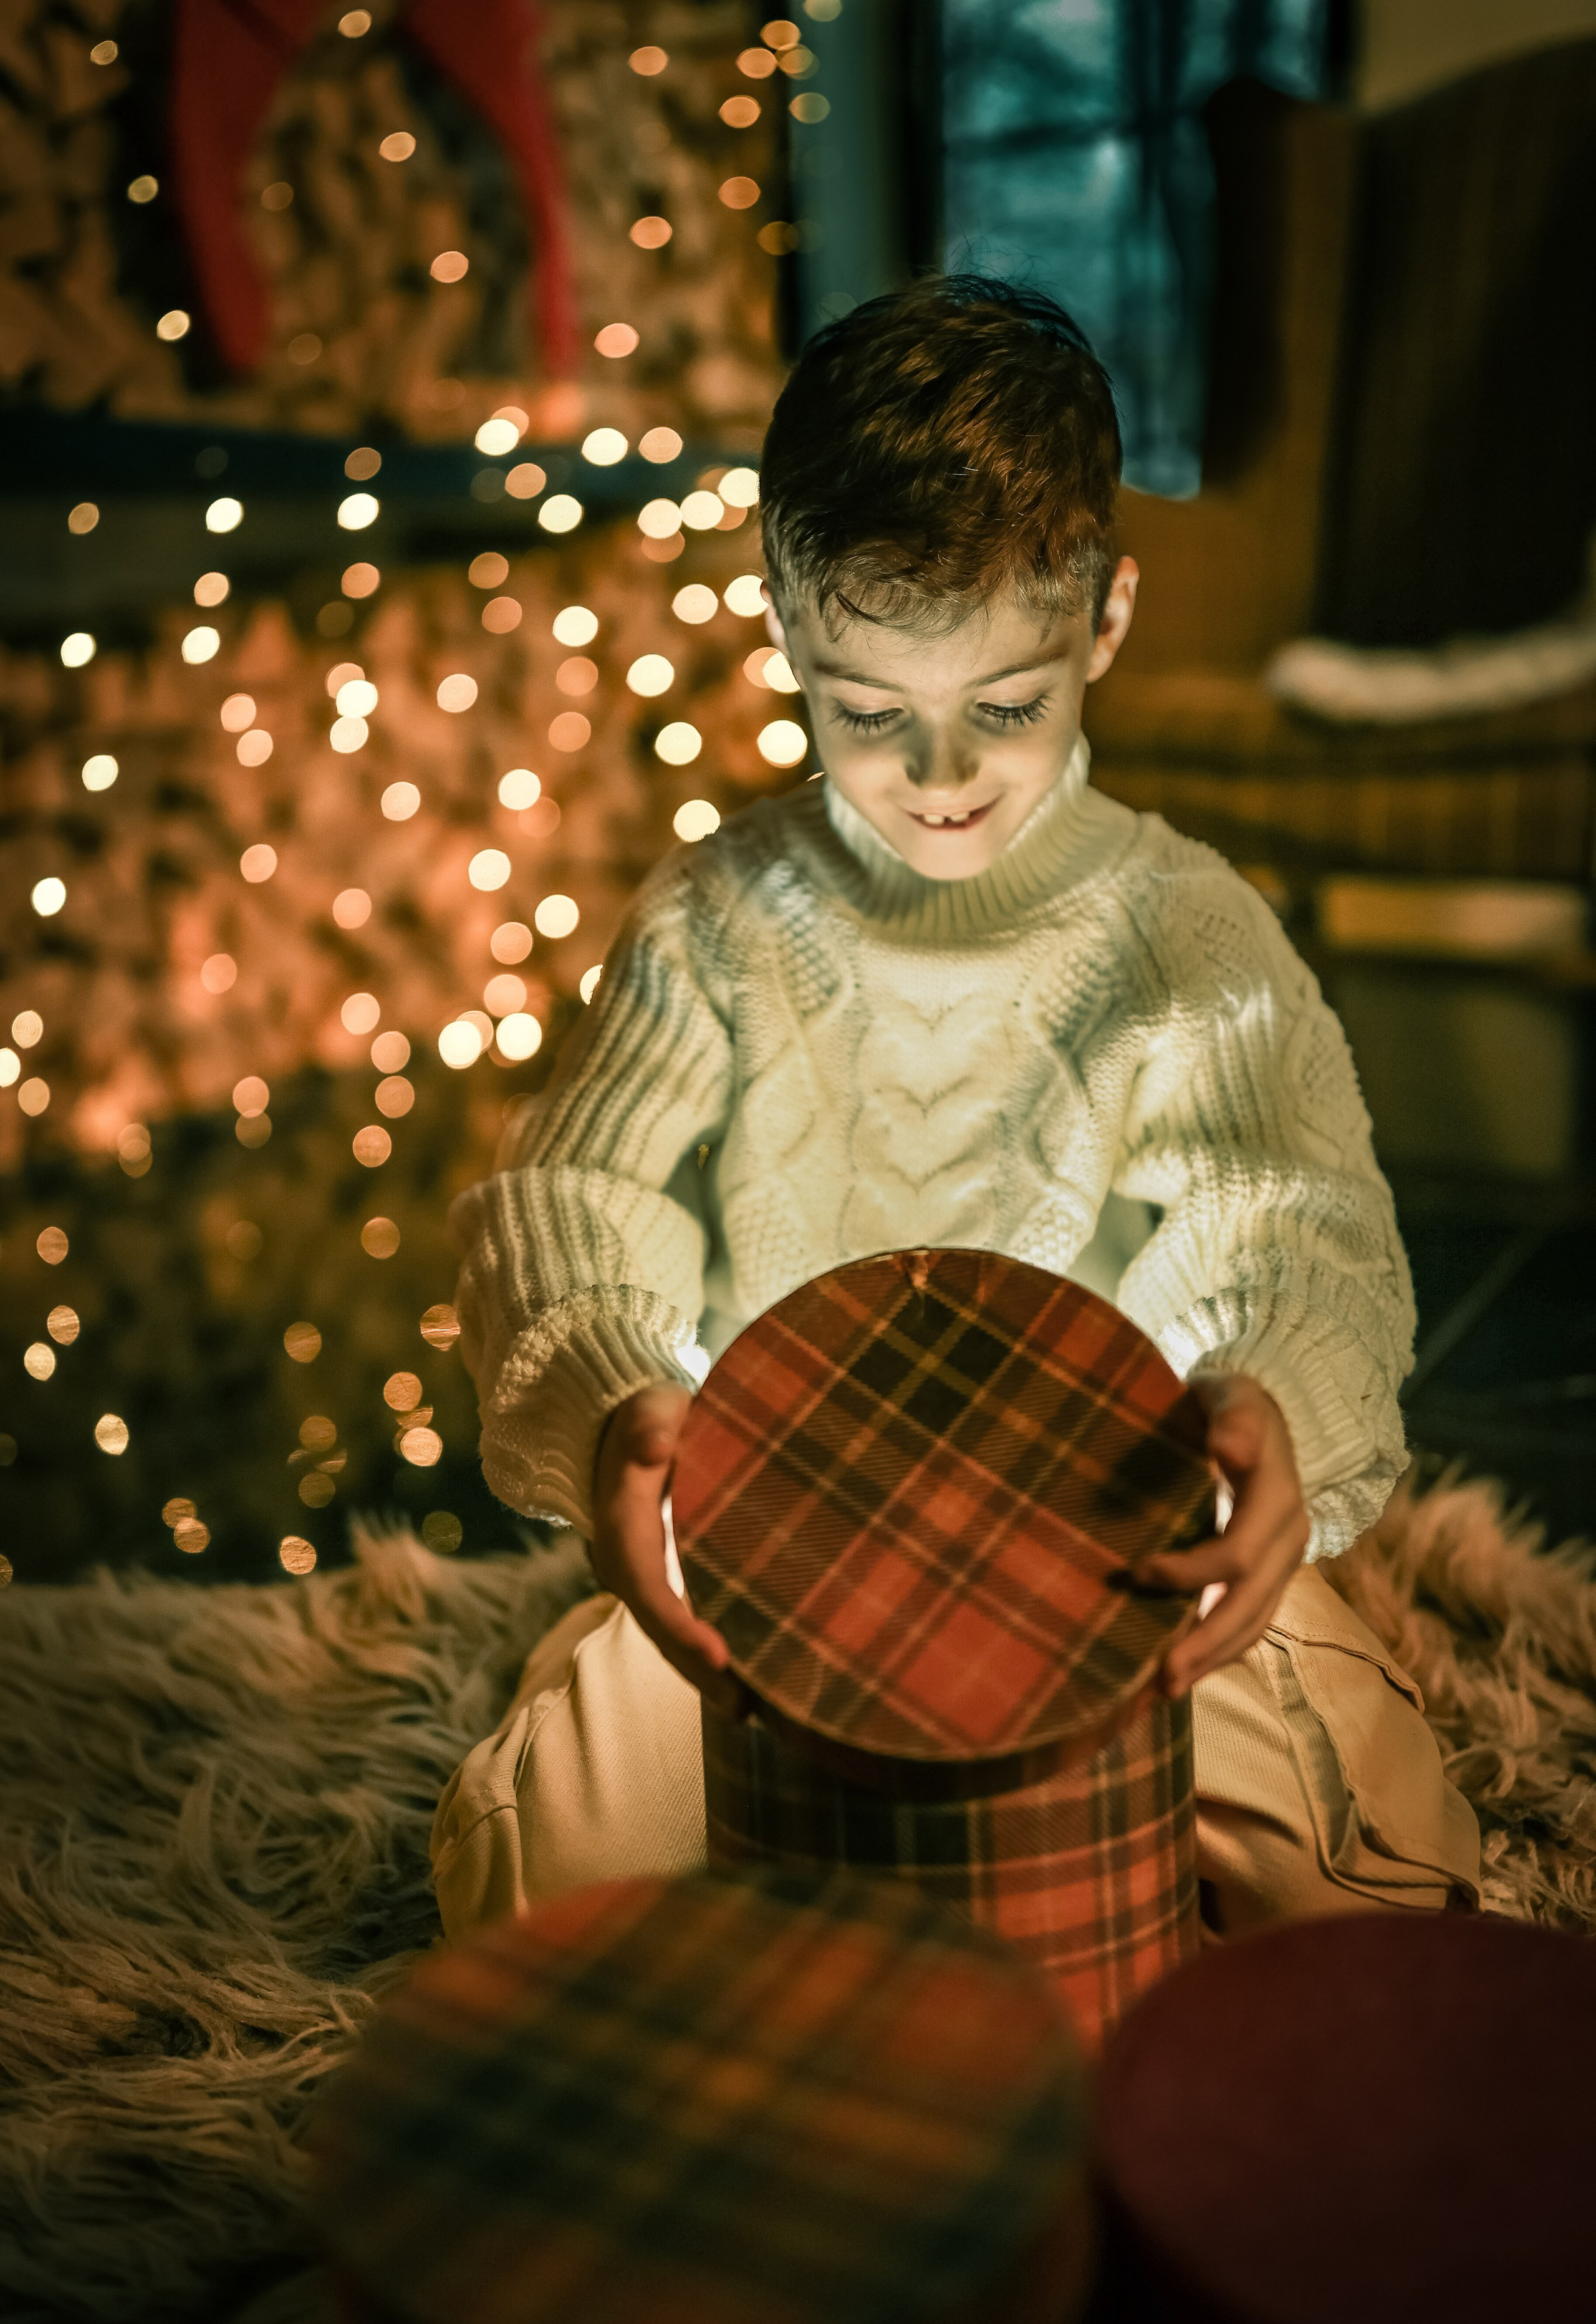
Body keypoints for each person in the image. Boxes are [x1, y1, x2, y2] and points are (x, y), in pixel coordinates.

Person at [438, 277, 1479, 1944]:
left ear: (1107, 624)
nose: (939, 776)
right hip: (775, 1541)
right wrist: (627, 1386)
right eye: (868, 714)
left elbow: (1290, 1217)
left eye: (1006, 706)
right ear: (787, 633)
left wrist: (1270, 1392)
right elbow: (572, 1195)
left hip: (1113, 1535)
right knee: (552, 1854)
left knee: (1343, 1855)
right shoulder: (715, 926)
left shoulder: (1185, 933)